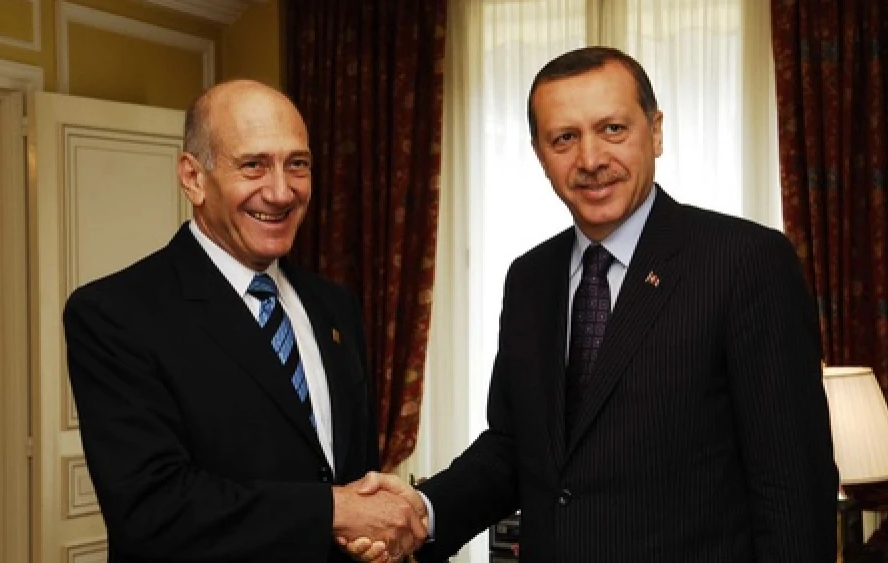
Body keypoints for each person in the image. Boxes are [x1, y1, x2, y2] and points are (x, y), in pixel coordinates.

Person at [360, 46, 839, 561]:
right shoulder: (530, 279)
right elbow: (514, 449)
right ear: (540, 154)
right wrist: (422, 511)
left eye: (613, 129)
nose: (590, 160)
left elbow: (792, 489)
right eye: (564, 138)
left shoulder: (745, 262)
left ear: (655, 132)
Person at [63, 80, 427, 563]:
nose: (281, 192)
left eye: (297, 164)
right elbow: (152, 510)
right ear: (193, 178)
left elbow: (352, 479)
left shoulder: (333, 306)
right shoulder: (115, 314)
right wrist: (331, 510)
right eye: (253, 165)